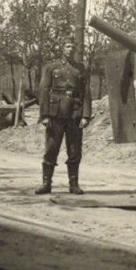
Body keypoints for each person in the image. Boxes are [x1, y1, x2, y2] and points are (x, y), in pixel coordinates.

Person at [35, 38, 91, 195]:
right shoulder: (51, 67)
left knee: (74, 151)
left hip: (75, 114)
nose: (70, 49)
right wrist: (44, 115)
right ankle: (46, 183)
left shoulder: (80, 69)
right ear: (62, 48)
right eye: (67, 46)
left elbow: (86, 92)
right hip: (55, 114)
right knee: (51, 149)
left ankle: (74, 184)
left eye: (73, 47)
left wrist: (86, 115)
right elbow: (44, 90)